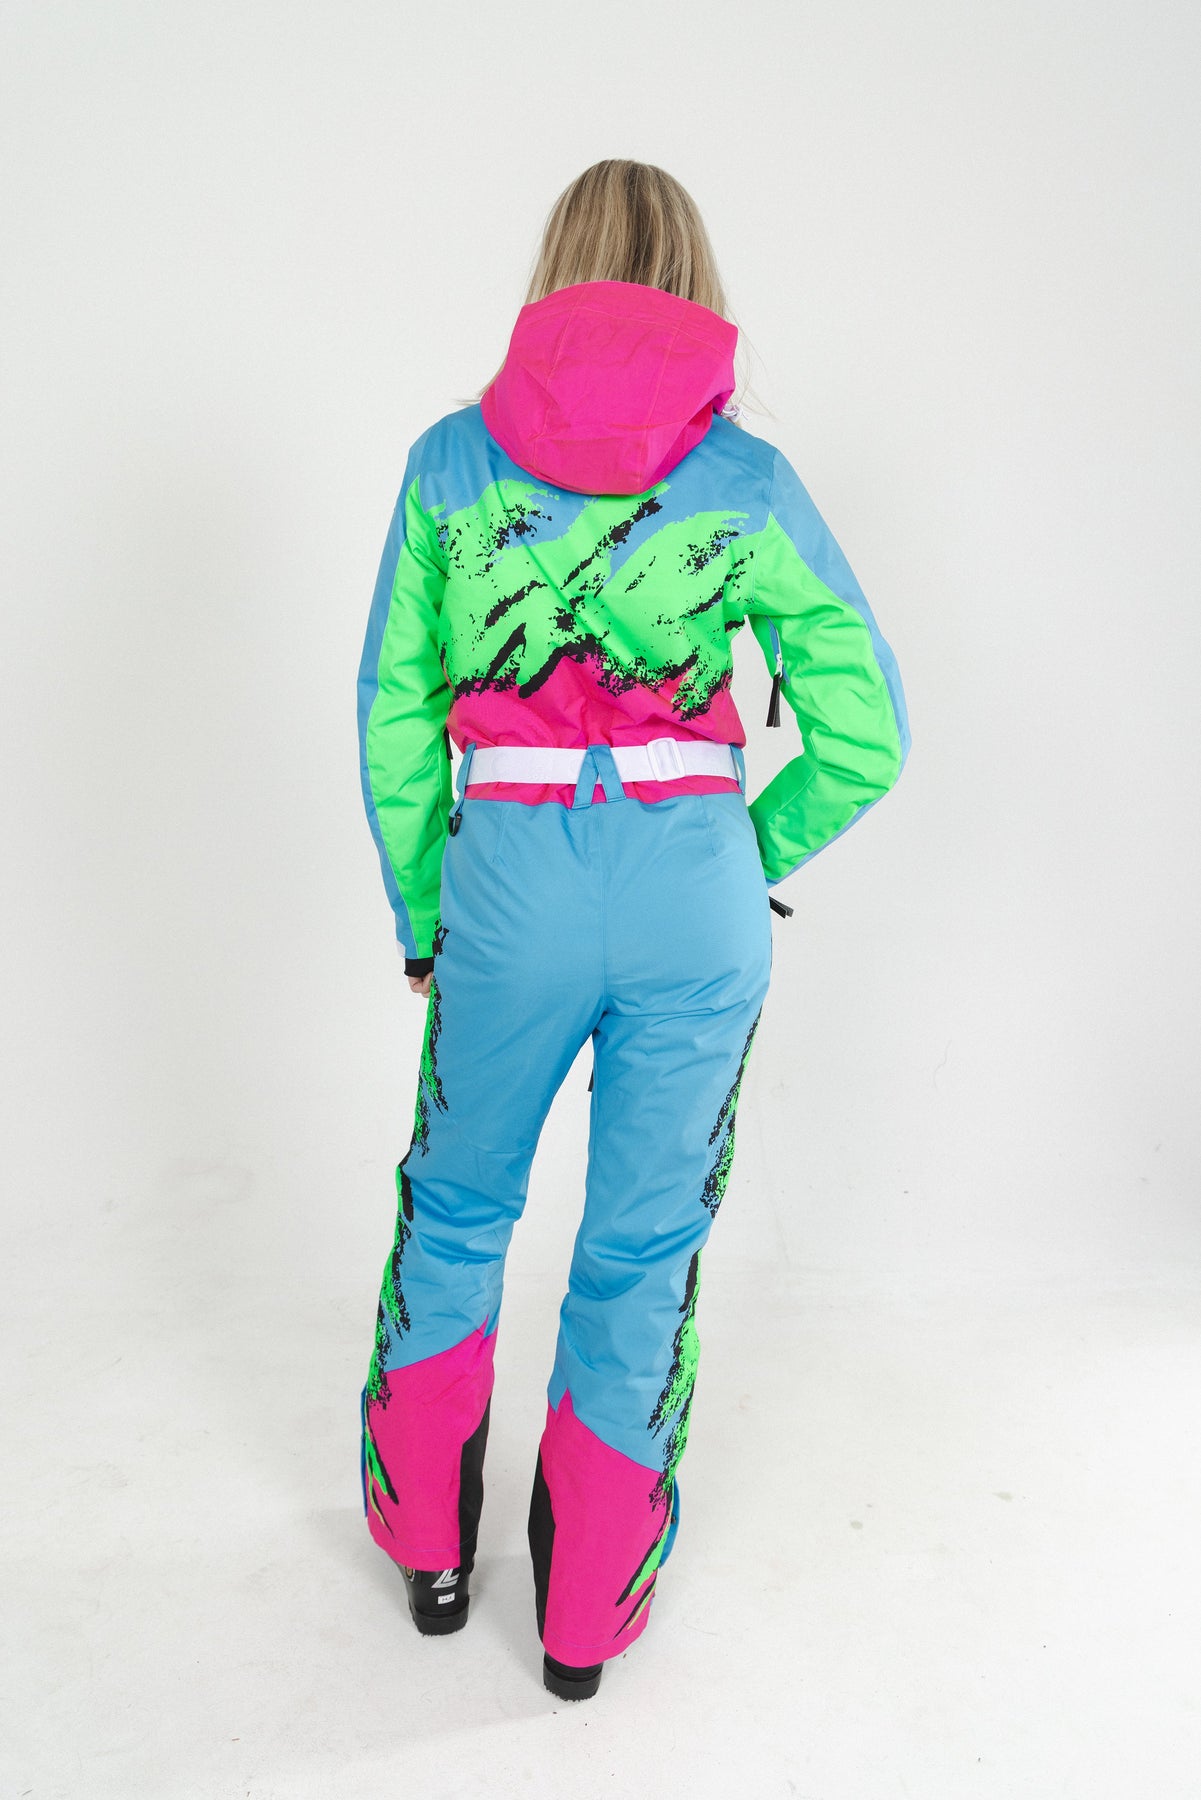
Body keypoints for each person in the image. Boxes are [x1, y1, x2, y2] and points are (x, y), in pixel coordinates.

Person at [356, 158, 911, 1702]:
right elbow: (866, 732)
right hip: (691, 897)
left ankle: (430, 1554)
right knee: (642, 1247)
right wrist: (745, 851)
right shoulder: (746, 480)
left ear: (555, 273)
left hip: (509, 894)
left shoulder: (449, 465)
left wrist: (424, 910)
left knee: (457, 1210)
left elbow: (397, 709)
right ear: (691, 283)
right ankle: (584, 1631)